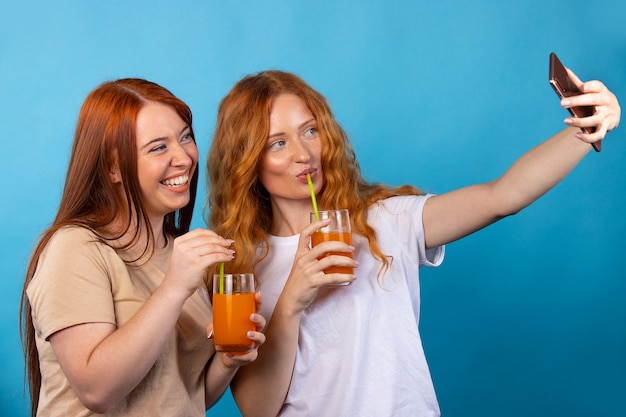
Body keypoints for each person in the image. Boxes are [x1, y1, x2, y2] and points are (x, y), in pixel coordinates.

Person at [205, 69, 620, 417]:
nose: (303, 153)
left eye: (309, 131)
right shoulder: (241, 270)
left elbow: (503, 196)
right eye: (278, 143)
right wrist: (293, 298)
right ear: (248, 160)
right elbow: (258, 409)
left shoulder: (384, 222)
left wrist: (585, 128)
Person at [19, 78, 266, 417]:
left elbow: (185, 397)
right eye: (158, 147)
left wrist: (227, 360)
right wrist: (174, 287)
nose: (183, 157)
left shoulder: (180, 252)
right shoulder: (75, 248)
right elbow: (97, 390)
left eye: (185, 137)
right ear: (113, 167)